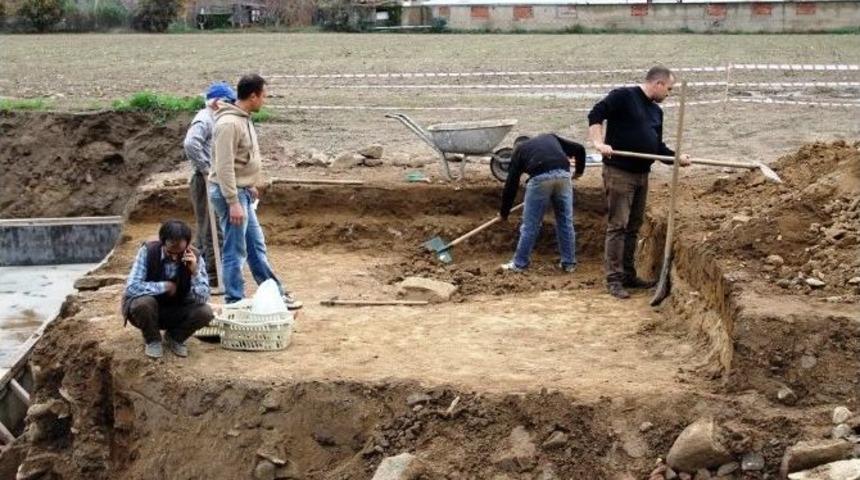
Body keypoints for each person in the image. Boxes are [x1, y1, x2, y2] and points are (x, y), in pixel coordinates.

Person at [587, 65, 690, 300]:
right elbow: (595, 114)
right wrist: (599, 143)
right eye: (669, 89)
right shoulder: (624, 96)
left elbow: (656, 148)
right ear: (658, 84)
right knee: (618, 226)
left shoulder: (656, 112)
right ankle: (614, 279)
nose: (669, 94)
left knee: (633, 226)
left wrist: (675, 158)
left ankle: (628, 275)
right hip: (619, 172)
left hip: (642, 175)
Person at [208, 73, 302, 309]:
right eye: (264, 96)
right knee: (235, 250)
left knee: (255, 246)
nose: (265, 101)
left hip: (241, 192)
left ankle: (274, 292)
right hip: (232, 194)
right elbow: (224, 166)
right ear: (253, 96)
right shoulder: (229, 124)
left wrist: (249, 184)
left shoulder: (243, 118)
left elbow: (240, 159)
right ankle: (235, 301)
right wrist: (233, 201)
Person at [121, 220, 213, 359]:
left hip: (178, 309)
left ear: (187, 245)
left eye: (179, 252)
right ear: (162, 243)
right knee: (143, 303)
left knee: (205, 312)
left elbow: (203, 298)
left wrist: (195, 273)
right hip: (148, 311)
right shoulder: (149, 252)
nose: (175, 257)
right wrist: (164, 286)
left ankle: (175, 337)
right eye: (170, 252)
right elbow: (132, 288)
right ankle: (152, 339)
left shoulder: (195, 256)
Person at [499, 133, 586, 273]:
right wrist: (579, 172)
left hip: (540, 179)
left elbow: (511, 184)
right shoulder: (549, 137)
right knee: (565, 222)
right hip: (564, 176)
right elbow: (580, 148)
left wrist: (504, 212)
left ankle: (519, 264)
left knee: (530, 225)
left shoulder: (519, 151)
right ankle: (569, 264)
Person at [183, 81, 237, 288]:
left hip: (211, 178)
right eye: (227, 102)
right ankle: (214, 275)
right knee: (211, 228)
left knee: (215, 226)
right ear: (216, 102)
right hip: (204, 180)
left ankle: (206, 269)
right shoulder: (204, 119)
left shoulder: (217, 119)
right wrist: (206, 168)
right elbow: (190, 143)